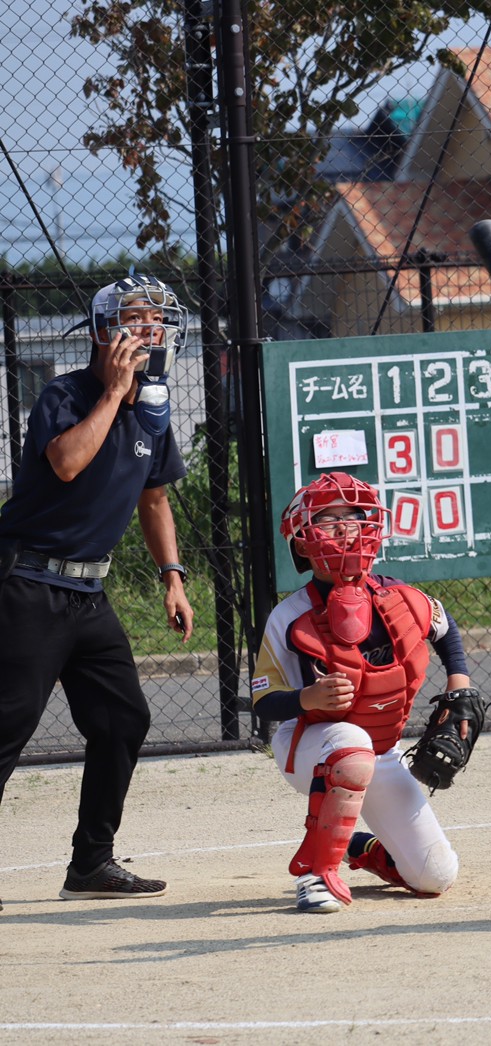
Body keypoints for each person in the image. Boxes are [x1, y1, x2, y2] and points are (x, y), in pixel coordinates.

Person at [0, 273, 194, 907]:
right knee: (8, 726)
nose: (150, 330)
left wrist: (173, 577)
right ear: (104, 331)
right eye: (136, 319)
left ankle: (90, 865)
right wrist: (114, 392)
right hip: (27, 583)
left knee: (122, 719)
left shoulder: (153, 408)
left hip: (88, 595)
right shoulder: (66, 393)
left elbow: (154, 498)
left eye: (158, 321)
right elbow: (66, 462)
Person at [251, 472, 472, 913]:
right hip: (309, 745)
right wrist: (306, 699)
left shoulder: (398, 596)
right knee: (351, 741)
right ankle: (316, 875)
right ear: (302, 542)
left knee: (435, 875)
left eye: (352, 517)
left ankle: (361, 847)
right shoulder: (289, 615)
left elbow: (444, 627)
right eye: (327, 519)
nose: (344, 528)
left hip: (381, 751)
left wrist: (459, 682)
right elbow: (263, 700)